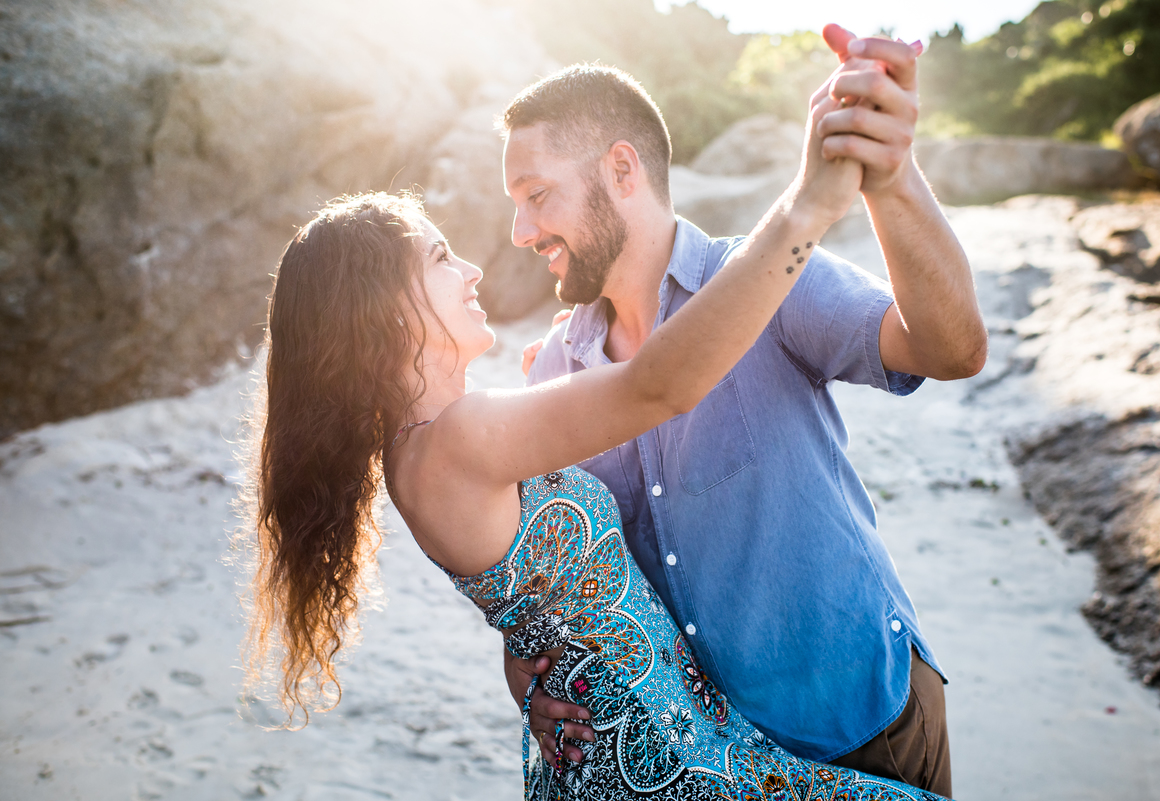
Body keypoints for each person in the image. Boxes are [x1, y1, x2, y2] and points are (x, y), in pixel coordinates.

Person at [240, 40, 953, 798]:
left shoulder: (456, 435)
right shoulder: (460, 439)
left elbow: (536, 590)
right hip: (665, 760)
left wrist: (529, 661)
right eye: (443, 257)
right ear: (382, 311)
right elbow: (657, 386)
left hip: (690, 735)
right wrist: (809, 201)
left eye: (534, 196)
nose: (479, 264)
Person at [507, 26, 984, 799]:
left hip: (858, 729)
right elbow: (566, 580)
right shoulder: (556, 370)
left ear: (621, 169)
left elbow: (951, 346)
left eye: (537, 196)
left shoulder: (769, 277)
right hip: (700, 768)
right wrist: (526, 672)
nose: (521, 232)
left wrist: (889, 179)